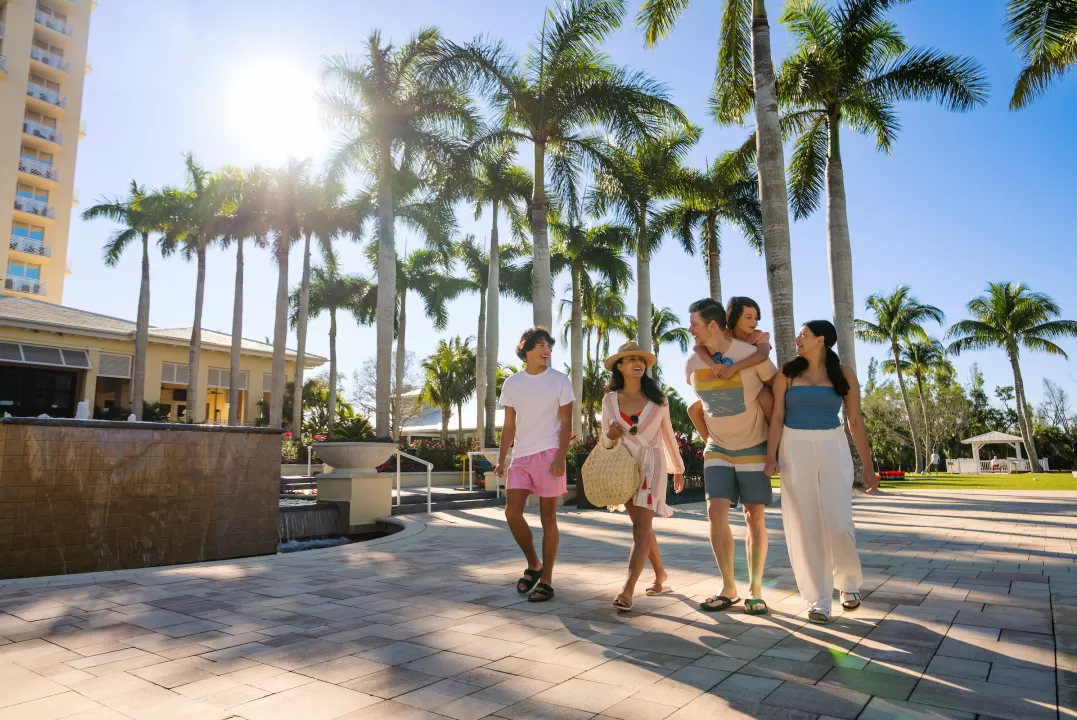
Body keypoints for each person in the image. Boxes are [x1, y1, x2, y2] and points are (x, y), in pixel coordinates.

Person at [763, 320, 880, 624]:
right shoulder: (787, 375)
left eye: (803, 334)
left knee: (839, 522)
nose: (798, 339)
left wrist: (867, 466)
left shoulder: (844, 375)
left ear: (822, 339)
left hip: (833, 446)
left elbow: (855, 422)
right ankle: (819, 600)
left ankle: (849, 584)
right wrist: (770, 456)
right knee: (806, 526)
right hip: (794, 448)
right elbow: (776, 417)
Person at [685, 298, 777, 616]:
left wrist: (776, 447)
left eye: (694, 323)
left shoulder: (751, 354)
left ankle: (755, 590)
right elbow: (698, 405)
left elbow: (775, 391)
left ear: (711, 326)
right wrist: (709, 438)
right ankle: (728, 587)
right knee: (715, 513)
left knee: (755, 518)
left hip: (754, 447)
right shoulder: (692, 363)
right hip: (718, 449)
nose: (689, 329)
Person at [600, 341, 685, 611]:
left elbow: (669, 436)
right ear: (620, 366)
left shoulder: (658, 400)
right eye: (630, 358)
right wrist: (611, 435)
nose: (638, 362)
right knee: (643, 527)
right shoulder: (609, 400)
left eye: (641, 358)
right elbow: (606, 439)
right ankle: (660, 575)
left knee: (640, 528)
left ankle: (628, 589)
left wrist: (678, 469)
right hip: (624, 468)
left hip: (653, 467)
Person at [495, 328, 574, 603]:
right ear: (525, 349)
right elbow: (508, 425)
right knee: (512, 514)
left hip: (549, 453)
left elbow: (567, 424)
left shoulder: (560, 381)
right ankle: (534, 564)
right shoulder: (512, 384)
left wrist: (561, 457)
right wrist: (502, 457)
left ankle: (548, 580)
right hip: (521, 456)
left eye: (548, 345)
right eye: (540, 344)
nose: (546, 349)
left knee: (547, 517)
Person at [690, 296, 775, 423]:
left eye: (756, 318)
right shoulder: (725, 334)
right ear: (735, 317)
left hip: (761, 382)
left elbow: (762, 354)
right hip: (737, 389)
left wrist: (733, 368)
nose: (754, 322)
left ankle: (773, 430)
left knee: (765, 398)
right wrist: (714, 365)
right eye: (748, 317)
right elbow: (698, 348)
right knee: (694, 409)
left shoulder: (759, 336)